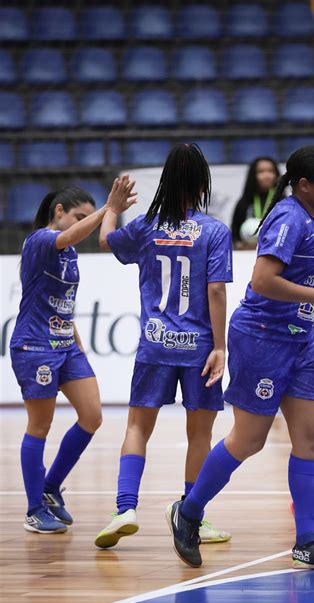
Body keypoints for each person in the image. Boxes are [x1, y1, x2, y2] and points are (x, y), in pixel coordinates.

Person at [167, 144, 314, 570]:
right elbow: (264, 280)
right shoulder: (290, 218)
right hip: (263, 337)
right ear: (305, 185)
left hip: (299, 341)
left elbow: (309, 281)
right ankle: (190, 509)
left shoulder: (313, 217)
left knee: (310, 439)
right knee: (249, 439)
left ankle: (307, 541)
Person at [94, 143, 233, 549]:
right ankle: (192, 516)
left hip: (155, 345)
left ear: (165, 179)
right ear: (202, 182)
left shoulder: (146, 225)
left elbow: (106, 242)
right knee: (200, 435)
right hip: (199, 348)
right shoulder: (214, 231)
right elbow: (217, 292)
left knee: (138, 427)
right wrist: (220, 346)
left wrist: (112, 208)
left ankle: (125, 508)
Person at [10, 177, 136, 533]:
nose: (84, 222)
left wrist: (77, 342)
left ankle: (50, 488)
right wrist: (108, 211)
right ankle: (34, 509)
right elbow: (67, 235)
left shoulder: (70, 253)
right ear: (59, 211)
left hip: (65, 345)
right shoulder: (40, 241)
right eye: (79, 215)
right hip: (35, 347)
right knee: (40, 425)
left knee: (92, 416)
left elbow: (63, 303)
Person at [231, 156, 280, 249]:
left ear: (277, 175)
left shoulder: (283, 202)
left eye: (270, 171)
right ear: (253, 175)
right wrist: (239, 245)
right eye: (261, 172)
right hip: (247, 255)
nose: (266, 176)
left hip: (275, 252)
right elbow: (235, 234)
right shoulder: (244, 202)